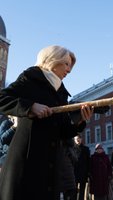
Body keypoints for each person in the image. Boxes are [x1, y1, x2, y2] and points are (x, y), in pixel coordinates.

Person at [0, 45, 94, 200]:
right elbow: (2, 98)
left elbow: (63, 131)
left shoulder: (61, 92)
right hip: (27, 162)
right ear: (52, 60)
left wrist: (80, 121)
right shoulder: (31, 78)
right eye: (66, 64)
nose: (69, 70)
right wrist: (30, 107)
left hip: (50, 166)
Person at [73, 134, 90, 200]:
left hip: (83, 173)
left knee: (82, 192)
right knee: (74, 191)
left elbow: (88, 161)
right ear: (74, 140)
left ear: (81, 139)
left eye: (79, 138)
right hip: (74, 173)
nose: (78, 140)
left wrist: (88, 172)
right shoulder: (72, 149)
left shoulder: (86, 149)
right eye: (76, 139)